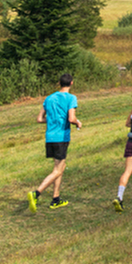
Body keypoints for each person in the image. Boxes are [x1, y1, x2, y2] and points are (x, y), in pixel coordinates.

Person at [28, 73, 82, 212]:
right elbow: (71, 118)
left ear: (59, 83)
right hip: (61, 137)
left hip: (50, 137)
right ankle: (36, 193)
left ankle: (55, 198)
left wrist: (51, 120)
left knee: (59, 167)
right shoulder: (71, 98)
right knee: (58, 169)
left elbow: (40, 119)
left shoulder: (49, 98)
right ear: (71, 83)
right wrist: (78, 122)